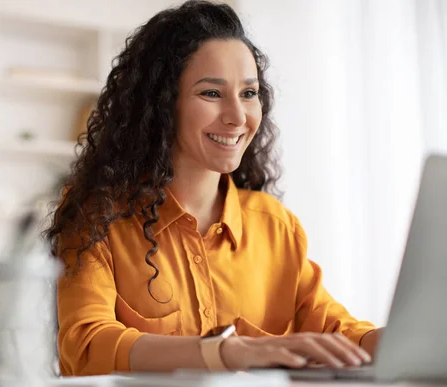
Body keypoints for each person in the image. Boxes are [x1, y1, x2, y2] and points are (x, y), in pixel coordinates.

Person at [45, 0, 383, 377]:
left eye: (249, 93)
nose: (238, 116)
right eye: (211, 93)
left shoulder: (275, 226)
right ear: (162, 105)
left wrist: (404, 340)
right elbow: (86, 345)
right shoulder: (97, 218)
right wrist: (225, 353)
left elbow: (338, 332)